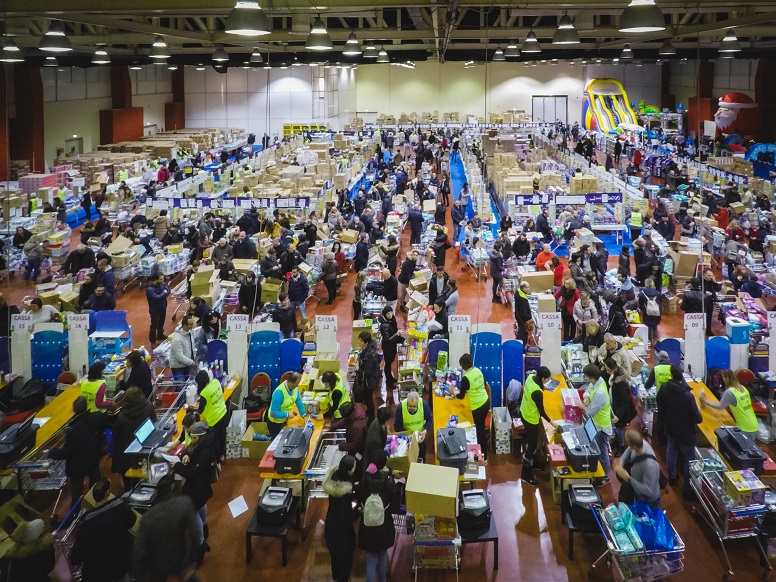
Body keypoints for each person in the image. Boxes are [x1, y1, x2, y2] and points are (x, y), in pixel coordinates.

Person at [70, 477, 137, 582]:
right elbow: (132, 521)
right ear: (107, 493)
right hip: (121, 565)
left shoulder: (86, 527)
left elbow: (75, 559)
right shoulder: (123, 510)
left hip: (97, 573)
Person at [48, 396, 106, 506]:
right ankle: (97, 507)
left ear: (74, 409)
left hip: (78, 466)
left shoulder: (73, 430)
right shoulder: (97, 418)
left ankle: (75, 513)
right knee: (96, 488)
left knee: (76, 493)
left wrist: (52, 452)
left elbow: (66, 452)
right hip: (93, 459)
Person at [656, 365, 702, 498]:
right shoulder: (688, 396)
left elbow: (660, 403)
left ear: (671, 375)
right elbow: (698, 419)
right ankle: (687, 489)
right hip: (686, 433)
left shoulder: (664, 388)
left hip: (671, 428)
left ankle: (672, 477)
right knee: (689, 459)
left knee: (671, 451)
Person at [172, 421, 215, 559]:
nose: (192, 439)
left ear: (201, 437)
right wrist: (186, 455)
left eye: (194, 437)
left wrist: (176, 466)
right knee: (201, 506)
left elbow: (190, 473)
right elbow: (189, 448)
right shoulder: (201, 444)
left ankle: (200, 544)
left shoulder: (205, 453)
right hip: (201, 487)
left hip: (197, 488)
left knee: (194, 511)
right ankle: (204, 527)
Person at [131, 495, 200, 581]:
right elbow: (195, 535)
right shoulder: (185, 503)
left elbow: (138, 553)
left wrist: (139, 578)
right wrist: (190, 562)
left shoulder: (146, 519)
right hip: (180, 560)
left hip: (158, 568)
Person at [358, 450, 396, 582]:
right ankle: (383, 579)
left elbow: (360, 498)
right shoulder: (389, 480)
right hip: (384, 525)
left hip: (367, 524)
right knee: (382, 555)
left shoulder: (364, 479)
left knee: (371, 559)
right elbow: (393, 502)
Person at [323, 455, 360, 582]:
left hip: (330, 527)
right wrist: (357, 512)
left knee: (335, 557)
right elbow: (345, 518)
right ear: (349, 470)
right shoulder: (344, 495)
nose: (355, 469)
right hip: (342, 534)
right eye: (353, 467)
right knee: (346, 561)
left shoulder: (334, 479)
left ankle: (335, 578)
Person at [520, 366, 557, 486]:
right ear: (542, 378)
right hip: (531, 420)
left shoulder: (530, 377)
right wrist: (552, 423)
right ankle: (525, 474)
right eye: (547, 379)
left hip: (524, 412)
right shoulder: (537, 392)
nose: (548, 381)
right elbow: (541, 412)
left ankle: (533, 463)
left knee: (534, 442)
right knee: (532, 446)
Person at [701, 369, 758, 440]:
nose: (722, 379)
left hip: (745, 428)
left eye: (723, 377)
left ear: (727, 379)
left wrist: (705, 401)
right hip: (754, 425)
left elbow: (720, 406)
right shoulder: (743, 388)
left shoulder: (729, 392)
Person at [614, 430, 662, 508]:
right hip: (637, 492)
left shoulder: (649, 465)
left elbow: (649, 491)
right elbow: (629, 449)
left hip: (648, 501)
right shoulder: (639, 444)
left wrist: (628, 478)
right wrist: (621, 463)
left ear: (634, 445)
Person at [581, 364, 612, 487]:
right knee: (597, 449)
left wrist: (581, 405)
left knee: (602, 452)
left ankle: (605, 476)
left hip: (601, 427)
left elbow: (590, 411)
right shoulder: (597, 382)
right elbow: (588, 390)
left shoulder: (600, 393)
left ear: (592, 377)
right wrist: (586, 397)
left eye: (587, 377)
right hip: (595, 423)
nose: (586, 379)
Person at [456, 353, 491, 460]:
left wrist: (453, 393)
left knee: (480, 432)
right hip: (486, 402)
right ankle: (481, 452)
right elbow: (483, 385)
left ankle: (483, 455)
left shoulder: (466, 378)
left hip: (478, 407)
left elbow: (461, 396)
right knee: (480, 429)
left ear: (463, 366)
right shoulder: (478, 370)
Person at [604, 358, 636, 457]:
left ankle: (622, 446)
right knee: (616, 428)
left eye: (608, 370)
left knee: (619, 429)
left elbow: (624, 401)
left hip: (621, 411)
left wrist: (618, 415)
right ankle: (617, 442)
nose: (607, 372)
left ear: (613, 369)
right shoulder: (614, 377)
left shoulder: (620, 383)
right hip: (615, 407)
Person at [195, 370, 228, 460]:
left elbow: (200, 410)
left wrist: (194, 411)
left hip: (214, 420)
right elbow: (223, 390)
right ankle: (223, 454)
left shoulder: (204, 393)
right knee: (222, 436)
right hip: (223, 413)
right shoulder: (216, 381)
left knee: (215, 441)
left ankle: (217, 459)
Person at [393, 390, 432, 461]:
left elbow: (429, 419)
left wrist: (425, 431)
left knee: (421, 456)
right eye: (410, 406)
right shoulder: (400, 408)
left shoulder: (423, 405)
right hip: (407, 438)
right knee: (409, 459)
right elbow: (397, 427)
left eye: (414, 406)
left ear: (417, 402)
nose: (412, 408)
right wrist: (408, 435)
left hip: (420, 437)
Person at [267, 371, 305, 439]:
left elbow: (299, 401)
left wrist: (304, 415)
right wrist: (287, 414)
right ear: (290, 383)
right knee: (277, 441)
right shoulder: (279, 393)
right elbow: (273, 413)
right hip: (275, 423)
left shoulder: (295, 388)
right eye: (296, 384)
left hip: (284, 420)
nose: (297, 386)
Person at [354, 331, 381, 424]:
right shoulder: (369, 348)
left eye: (360, 341)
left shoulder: (369, 356)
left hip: (368, 382)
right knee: (368, 399)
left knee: (369, 400)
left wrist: (358, 369)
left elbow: (367, 373)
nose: (359, 343)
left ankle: (371, 418)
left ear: (366, 342)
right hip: (370, 380)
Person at [378, 306, 405, 390]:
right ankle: (389, 381)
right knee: (388, 364)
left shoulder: (392, 319)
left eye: (391, 313)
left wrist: (401, 339)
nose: (390, 315)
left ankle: (390, 378)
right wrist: (397, 334)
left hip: (392, 346)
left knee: (390, 362)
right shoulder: (384, 326)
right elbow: (388, 339)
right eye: (388, 314)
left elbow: (394, 331)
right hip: (388, 348)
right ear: (384, 315)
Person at [145, 272, 171, 345]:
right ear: (155, 280)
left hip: (163, 307)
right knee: (154, 325)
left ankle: (160, 335)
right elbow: (156, 298)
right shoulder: (150, 289)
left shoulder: (162, 284)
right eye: (161, 279)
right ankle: (153, 341)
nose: (163, 280)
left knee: (161, 322)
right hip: (155, 310)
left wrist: (163, 294)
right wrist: (164, 293)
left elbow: (168, 290)